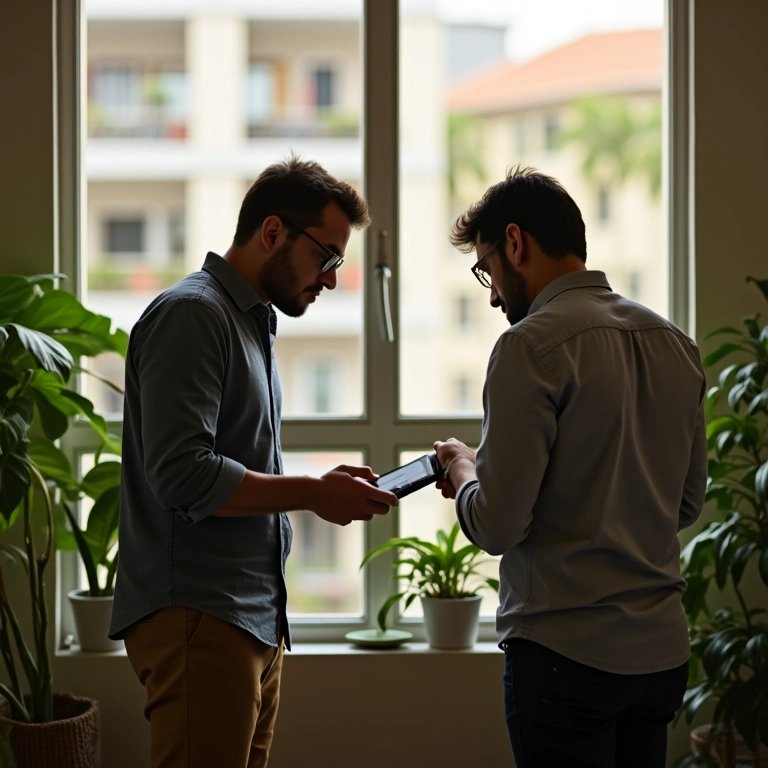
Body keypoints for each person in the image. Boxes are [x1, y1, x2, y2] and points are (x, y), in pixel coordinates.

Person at [109, 155, 398, 768]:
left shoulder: (249, 321)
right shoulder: (194, 315)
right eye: (326, 256)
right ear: (273, 233)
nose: (330, 278)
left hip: (247, 618)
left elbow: (230, 462)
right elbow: (183, 474)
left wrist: (320, 487)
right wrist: (312, 493)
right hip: (198, 614)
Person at [433, 166, 707, 768]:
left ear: (516, 243)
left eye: (487, 269)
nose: (491, 294)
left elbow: (498, 526)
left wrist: (461, 470)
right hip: (660, 656)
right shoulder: (674, 343)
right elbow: (686, 504)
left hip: (565, 658)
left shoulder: (529, 347)